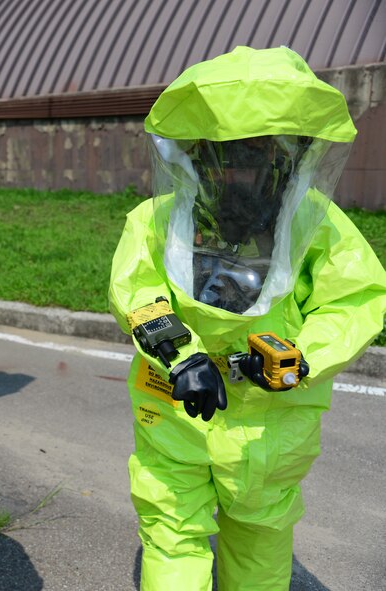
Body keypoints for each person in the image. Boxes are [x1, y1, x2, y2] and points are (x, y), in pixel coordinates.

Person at [108, 46, 386, 590]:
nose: (240, 171)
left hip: (270, 421)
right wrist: (178, 352)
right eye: (229, 154)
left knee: (252, 537)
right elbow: (137, 289)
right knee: (173, 529)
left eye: (258, 154)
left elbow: (354, 301)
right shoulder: (158, 221)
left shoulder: (316, 225)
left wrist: (299, 360)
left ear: (293, 155)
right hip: (177, 408)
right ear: (196, 154)